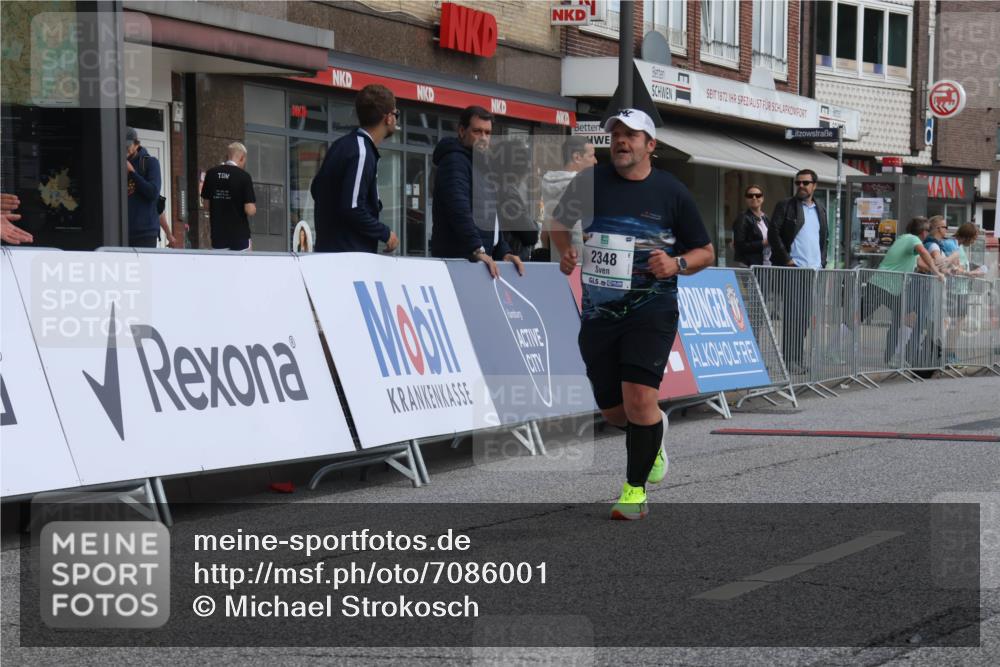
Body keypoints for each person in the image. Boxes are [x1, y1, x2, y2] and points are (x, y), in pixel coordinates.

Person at [550, 108, 714, 521]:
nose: (621, 141)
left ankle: (634, 491)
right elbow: (555, 223)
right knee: (614, 411)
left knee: (640, 398)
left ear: (650, 145)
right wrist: (564, 250)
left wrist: (676, 264)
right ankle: (652, 436)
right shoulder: (589, 183)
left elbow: (706, 252)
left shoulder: (672, 192)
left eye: (632, 135)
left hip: (651, 309)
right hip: (599, 312)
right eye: (616, 134)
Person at [430, 105, 524, 278]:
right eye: (477, 131)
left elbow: (490, 216)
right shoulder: (455, 161)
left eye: (487, 133)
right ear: (461, 131)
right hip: (460, 262)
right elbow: (458, 209)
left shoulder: (482, 164)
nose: (483, 138)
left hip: (478, 260)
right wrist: (476, 248)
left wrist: (503, 250)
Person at [311, 84, 399, 254]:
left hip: (329, 251)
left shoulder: (341, 145)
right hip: (350, 255)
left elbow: (317, 189)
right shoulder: (362, 151)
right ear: (388, 118)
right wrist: (386, 234)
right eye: (397, 114)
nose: (396, 119)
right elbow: (353, 208)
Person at [861, 217, 944, 364]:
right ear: (922, 232)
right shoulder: (913, 240)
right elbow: (924, 254)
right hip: (880, 285)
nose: (928, 234)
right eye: (927, 231)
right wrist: (937, 273)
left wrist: (942, 270)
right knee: (857, 318)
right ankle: (831, 350)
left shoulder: (905, 239)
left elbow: (920, 262)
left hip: (890, 289)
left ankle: (893, 358)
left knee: (904, 317)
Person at [767, 169, 827, 371]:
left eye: (805, 183)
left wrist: (822, 262)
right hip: (793, 269)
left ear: (814, 186)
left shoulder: (820, 208)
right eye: (798, 182)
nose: (801, 186)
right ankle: (790, 360)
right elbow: (773, 233)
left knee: (803, 318)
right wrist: (787, 260)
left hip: (812, 270)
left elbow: (823, 239)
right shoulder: (786, 205)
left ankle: (797, 358)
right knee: (793, 316)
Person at [538, 136, 597, 262]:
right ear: (577, 157)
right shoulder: (582, 184)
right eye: (592, 156)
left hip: (558, 259)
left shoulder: (547, 182)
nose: (596, 161)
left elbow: (545, 232)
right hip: (580, 259)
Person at [200, 142, 256, 251]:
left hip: (218, 235)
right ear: (242, 158)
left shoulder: (211, 174)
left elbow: (206, 205)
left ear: (227, 156)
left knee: (222, 267)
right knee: (243, 266)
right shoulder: (244, 176)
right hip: (240, 236)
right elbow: (249, 210)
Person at [944, 223, 985, 364]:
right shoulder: (952, 244)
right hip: (954, 290)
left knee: (957, 325)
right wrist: (971, 273)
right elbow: (954, 268)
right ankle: (949, 355)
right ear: (967, 237)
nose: (974, 242)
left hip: (960, 290)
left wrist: (972, 269)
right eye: (973, 238)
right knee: (955, 325)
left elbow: (960, 266)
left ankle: (950, 353)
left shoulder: (958, 246)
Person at [493, 139, 538, 262]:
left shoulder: (494, 186)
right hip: (511, 259)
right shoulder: (508, 192)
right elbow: (531, 235)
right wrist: (534, 224)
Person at [126, 127, 162, 248]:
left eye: (127, 146)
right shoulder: (115, 162)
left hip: (145, 232)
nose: (124, 150)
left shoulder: (150, 162)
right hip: (123, 232)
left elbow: (153, 193)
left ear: (136, 145)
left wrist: (132, 173)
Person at [732, 184, 770, 266]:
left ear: (762, 198)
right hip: (749, 265)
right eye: (750, 196)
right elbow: (739, 246)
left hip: (765, 263)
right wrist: (763, 243)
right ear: (746, 199)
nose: (754, 198)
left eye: (758, 195)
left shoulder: (765, 218)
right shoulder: (742, 218)